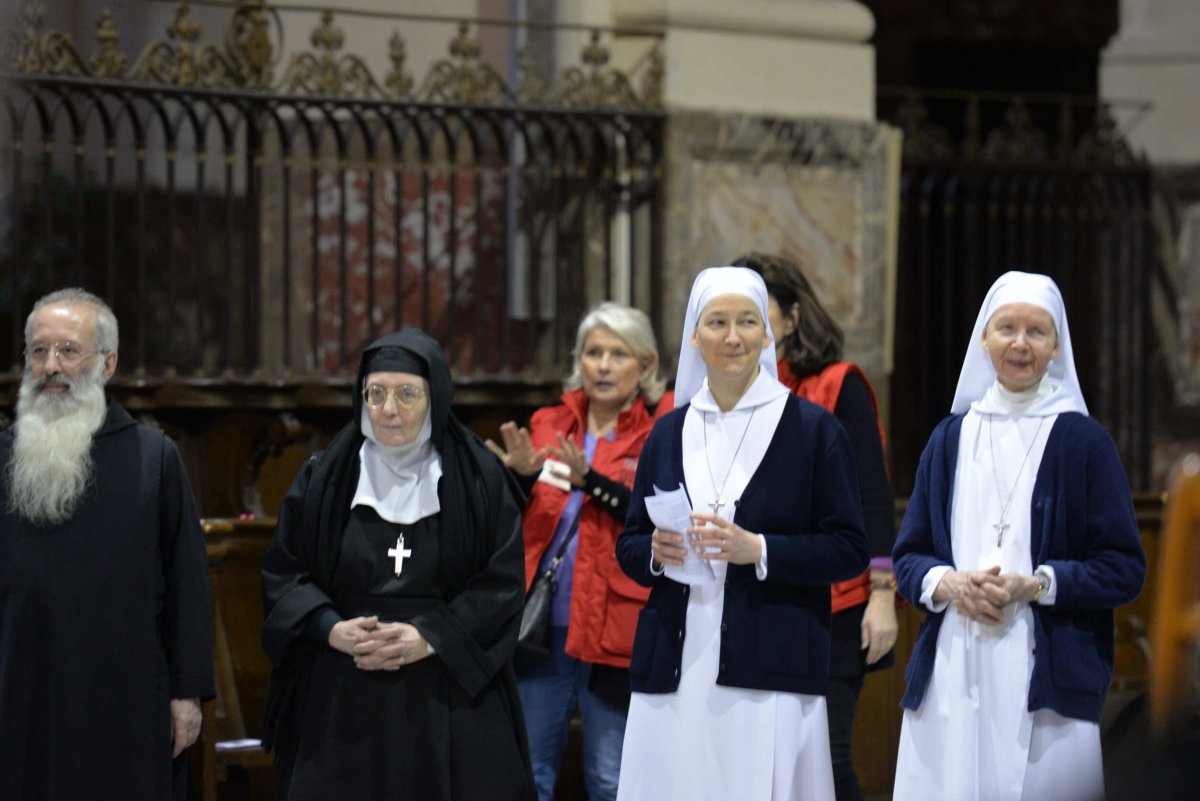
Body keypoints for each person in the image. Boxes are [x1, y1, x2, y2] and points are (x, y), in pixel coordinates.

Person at [615, 266, 870, 801]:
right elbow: (631, 543)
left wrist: (758, 549)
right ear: (694, 336)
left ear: (766, 335)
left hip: (770, 665)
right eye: (717, 322)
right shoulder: (668, 431)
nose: (732, 337)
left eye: (747, 322)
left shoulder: (813, 429)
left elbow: (848, 549)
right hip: (676, 667)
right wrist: (656, 555)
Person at [891, 271, 1147, 801]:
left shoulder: (1083, 443)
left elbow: (1125, 568)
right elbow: (909, 556)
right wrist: (949, 584)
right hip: (953, 674)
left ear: (1056, 346)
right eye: (1006, 328)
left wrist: (1035, 585)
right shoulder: (950, 439)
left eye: (1036, 331)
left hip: (1047, 685)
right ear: (984, 340)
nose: (1020, 343)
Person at [260, 329, 535, 801]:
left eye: (407, 394)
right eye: (377, 392)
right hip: (343, 693)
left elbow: (502, 586)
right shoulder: (324, 478)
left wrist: (427, 636)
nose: (389, 409)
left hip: (449, 693)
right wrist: (330, 628)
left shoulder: (478, 482)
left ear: (435, 397)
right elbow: (285, 574)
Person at [0, 288, 214, 800]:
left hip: (123, 696)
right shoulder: (2, 455)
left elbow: (187, 582)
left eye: (69, 350)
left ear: (108, 362)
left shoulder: (153, 458)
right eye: (38, 350)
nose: (51, 366)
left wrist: (187, 694)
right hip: (18, 688)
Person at [485, 302, 671, 801]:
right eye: (594, 353)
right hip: (543, 624)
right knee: (530, 774)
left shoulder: (665, 426)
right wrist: (518, 475)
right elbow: (515, 516)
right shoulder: (550, 423)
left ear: (646, 365)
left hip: (619, 626)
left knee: (612, 780)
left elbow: (659, 515)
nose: (604, 365)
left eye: (618, 353)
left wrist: (594, 483)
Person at [733, 252, 897, 801]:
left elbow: (872, 491)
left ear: (791, 318)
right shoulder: (728, 397)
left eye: (755, 312)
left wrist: (881, 593)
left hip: (837, 603)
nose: (740, 328)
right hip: (757, 603)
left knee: (825, 757)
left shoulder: (835, 385)